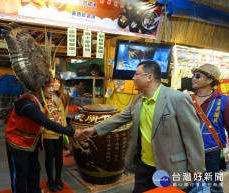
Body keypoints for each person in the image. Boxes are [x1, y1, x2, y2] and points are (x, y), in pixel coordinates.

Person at [82, 60, 205, 192]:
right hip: (144, 166)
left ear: (149, 77)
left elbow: (192, 137)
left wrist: (196, 169)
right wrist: (94, 129)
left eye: (136, 74)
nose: (133, 78)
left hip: (170, 167)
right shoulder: (137, 100)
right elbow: (119, 118)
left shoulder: (178, 99)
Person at [5, 80, 82, 193]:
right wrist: (73, 132)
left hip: (32, 142)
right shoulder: (27, 103)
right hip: (17, 143)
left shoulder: (41, 100)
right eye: (49, 87)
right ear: (38, 87)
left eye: (53, 86)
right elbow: (47, 123)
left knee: (34, 171)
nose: (52, 89)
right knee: (20, 176)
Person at [191, 64, 229, 193]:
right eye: (193, 75)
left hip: (212, 153)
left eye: (197, 76)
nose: (193, 78)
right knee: (189, 185)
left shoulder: (224, 100)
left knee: (213, 186)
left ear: (209, 80)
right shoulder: (186, 99)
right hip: (188, 152)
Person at [43, 75, 69, 192]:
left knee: (59, 157)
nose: (57, 84)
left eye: (59, 82)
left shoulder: (63, 97)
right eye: (55, 82)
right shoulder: (45, 98)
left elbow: (64, 116)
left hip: (60, 133)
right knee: (49, 157)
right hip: (49, 133)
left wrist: (65, 132)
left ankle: (58, 178)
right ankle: (50, 179)